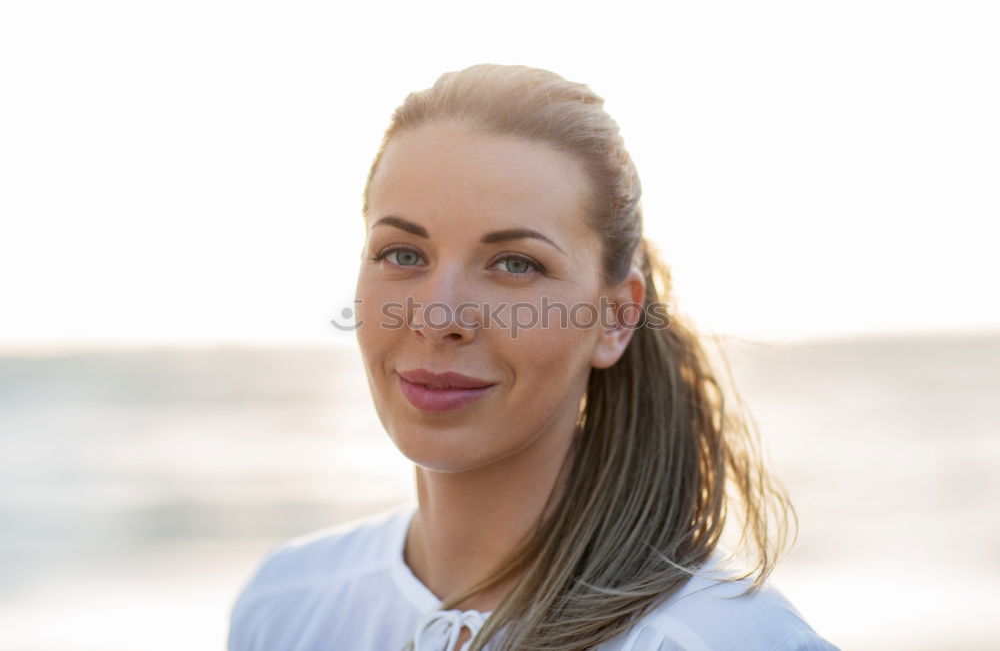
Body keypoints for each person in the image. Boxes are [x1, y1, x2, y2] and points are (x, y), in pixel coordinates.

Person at [227, 64, 840, 651]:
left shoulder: (723, 640)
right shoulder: (285, 606)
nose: (437, 319)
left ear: (617, 317)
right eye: (403, 254)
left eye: (516, 264)